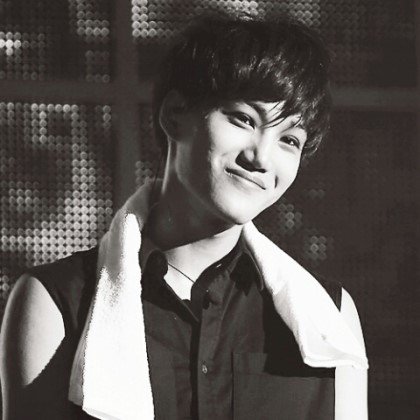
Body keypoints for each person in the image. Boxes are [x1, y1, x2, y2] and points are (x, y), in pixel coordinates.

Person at [0, 13, 368, 420]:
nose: (261, 157)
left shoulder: (329, 320)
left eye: (289, 140)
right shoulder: (55, 301)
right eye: (244, 119)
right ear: (174, 113)